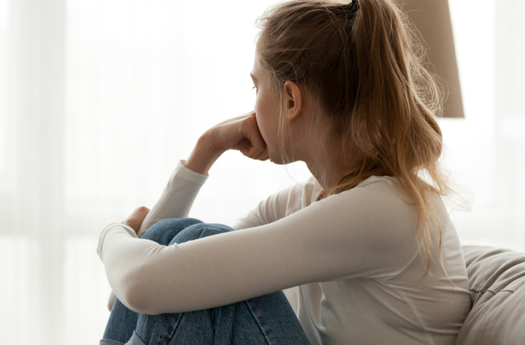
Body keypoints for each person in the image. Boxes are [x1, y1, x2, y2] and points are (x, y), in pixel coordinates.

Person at [96, 0, 471, 344]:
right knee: (180, 237)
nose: (252, 104)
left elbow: (140, 283)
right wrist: (205, 150)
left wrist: (113, 235)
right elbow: (137, 290)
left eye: (256, 86)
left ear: (291, 100)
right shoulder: (314, 199)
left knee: (199, 241)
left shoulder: (385, 209)